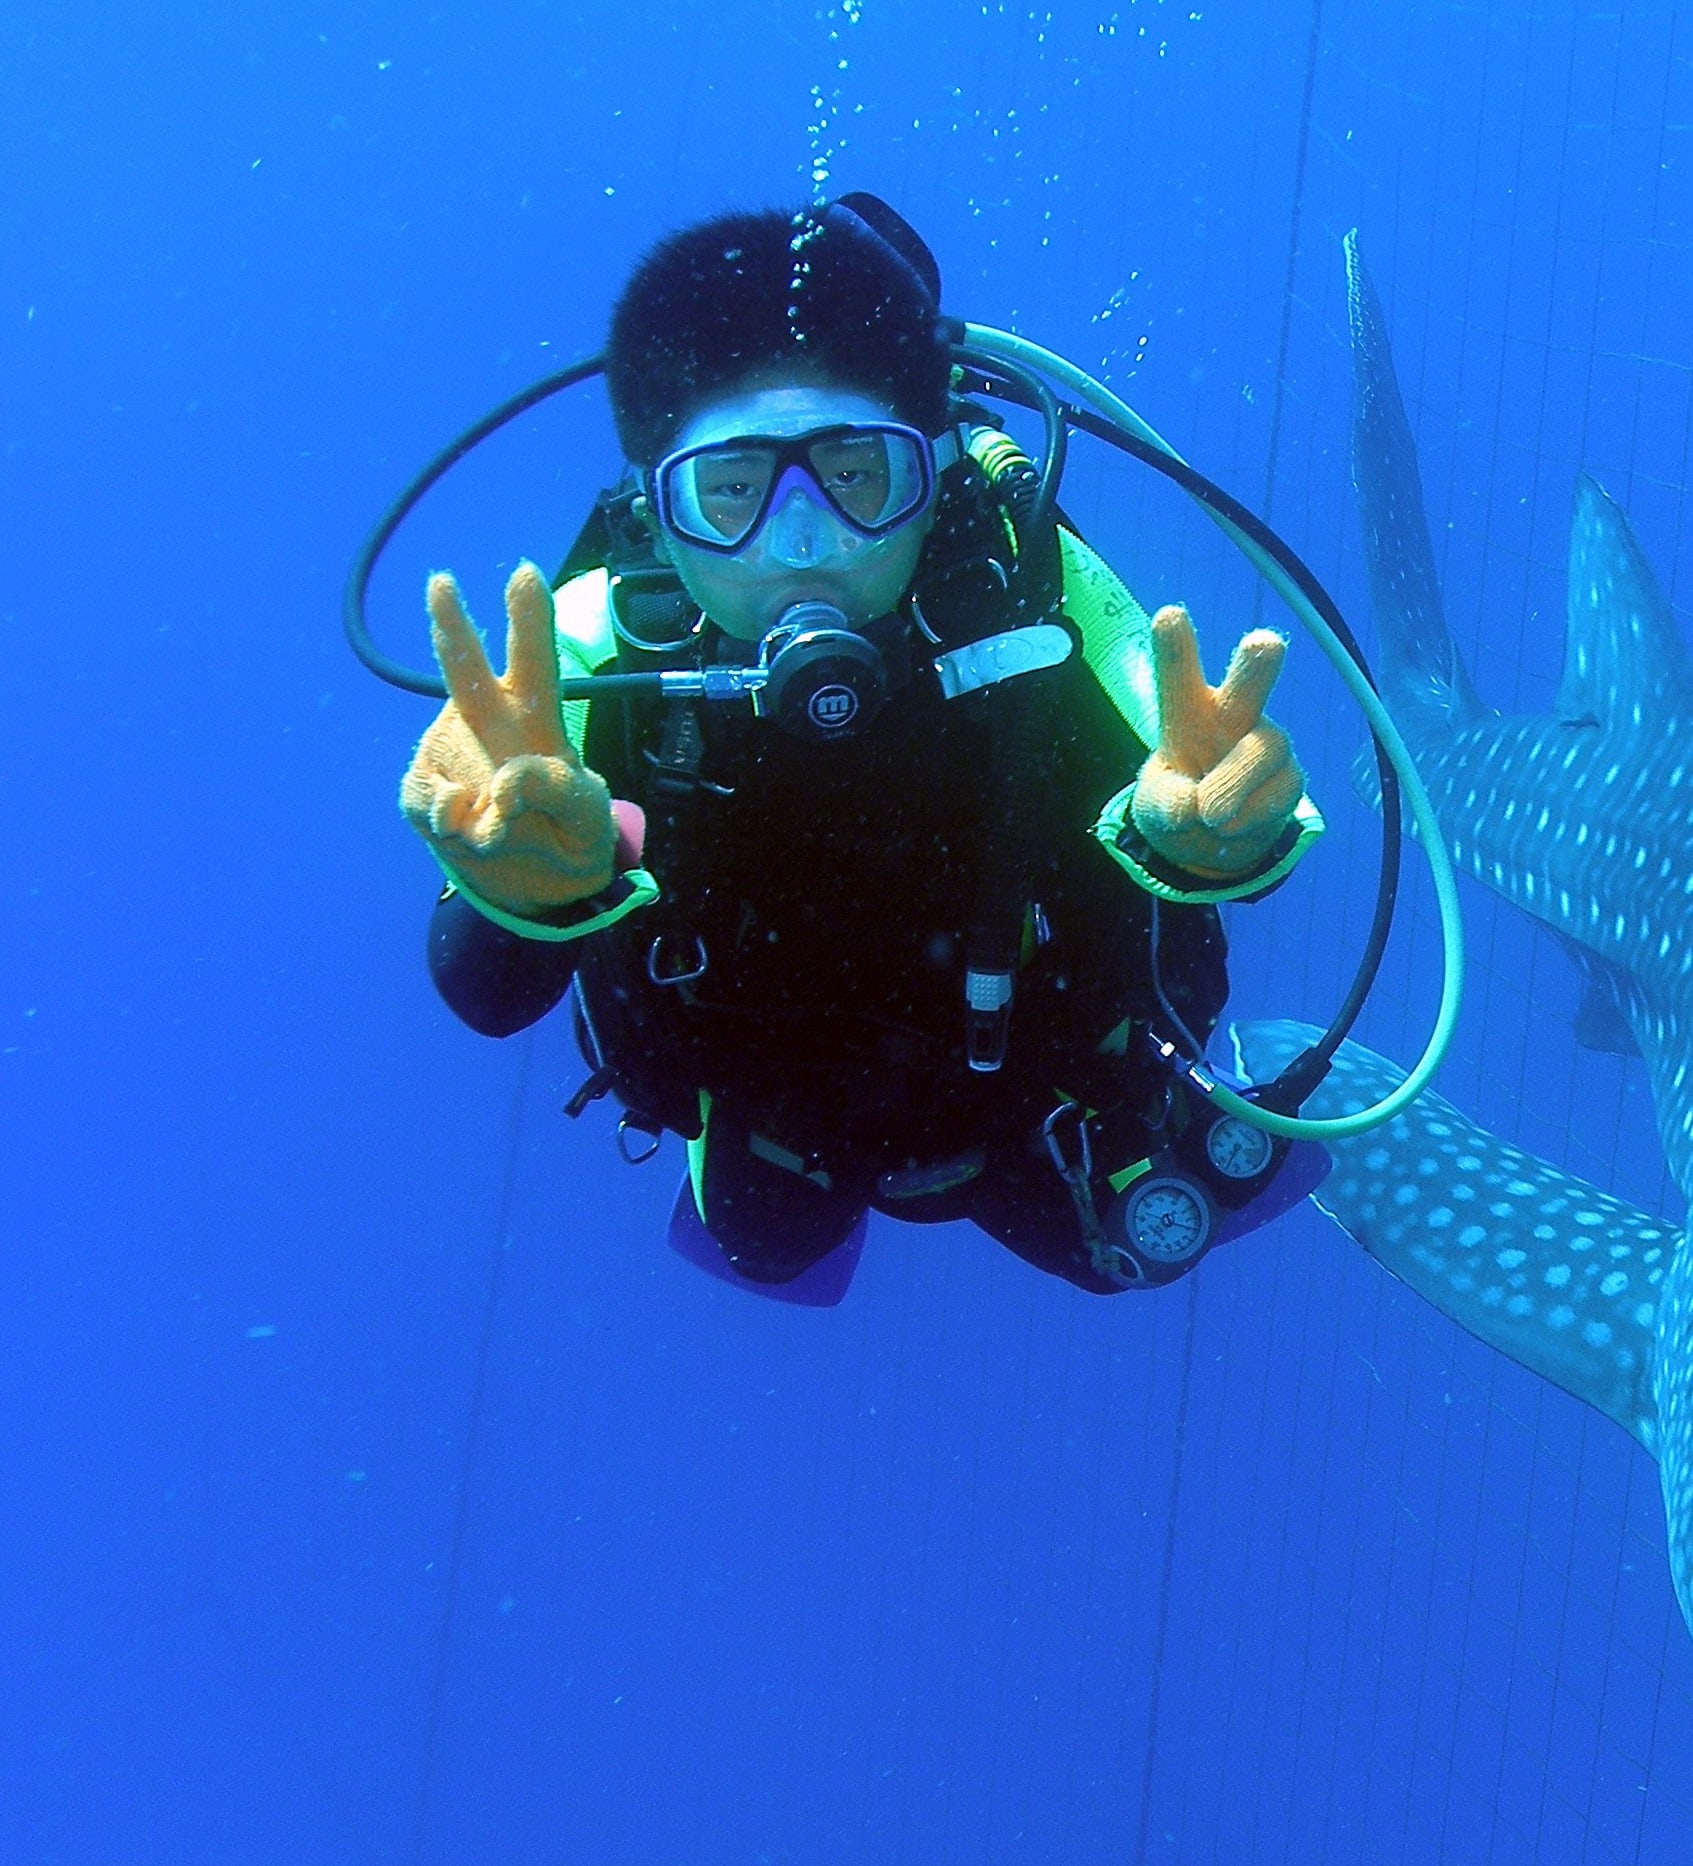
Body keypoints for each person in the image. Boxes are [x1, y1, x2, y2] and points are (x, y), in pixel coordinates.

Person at [398, 195, 1323, 1301]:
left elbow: (1217, 778)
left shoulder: (1030, 592)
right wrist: (517, 894)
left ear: (931, 481)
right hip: (773, 1120)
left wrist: (1216, 841)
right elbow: (486, 996)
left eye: (858, 477)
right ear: (657, 507)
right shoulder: (584, 647)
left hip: (1039, 1098)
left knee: (1119, 1261)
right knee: (764, 1239)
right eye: (730, 492)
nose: (801, 545)